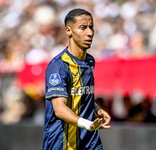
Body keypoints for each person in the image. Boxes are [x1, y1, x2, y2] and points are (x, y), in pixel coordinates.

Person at [42, 8, 111, 150]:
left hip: (90, 140)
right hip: (62, 142)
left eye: (91, 27)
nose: (90, 33)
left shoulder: (90, 61)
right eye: (83, 28)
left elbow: (81, 93)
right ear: (68, 31)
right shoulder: (58, 66)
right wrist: (88, 124)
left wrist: (96, 109)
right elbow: (59, 109)